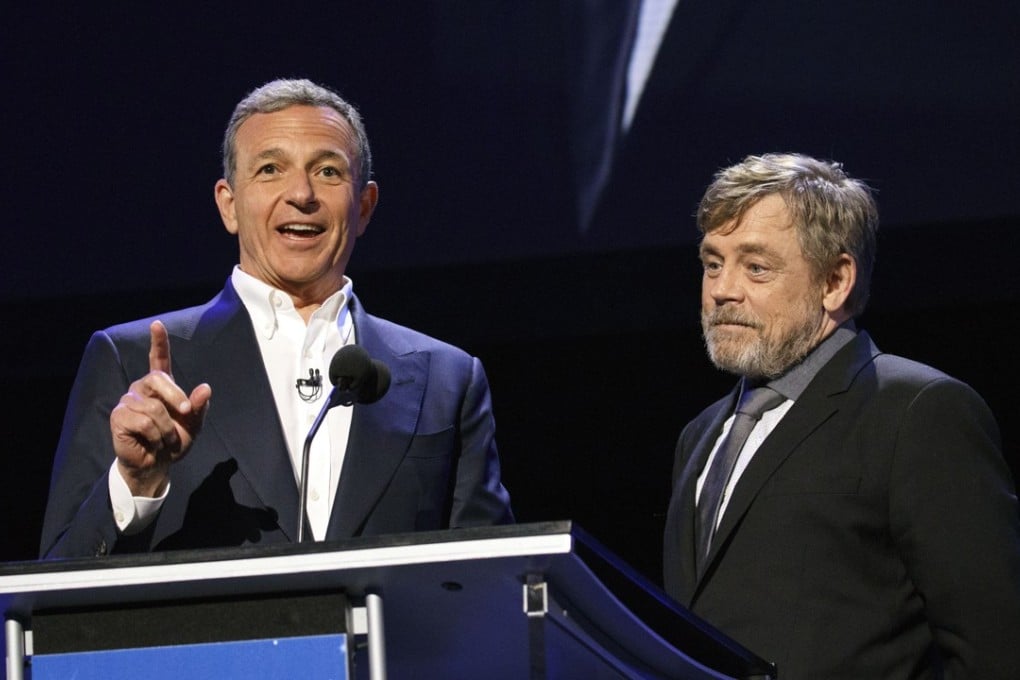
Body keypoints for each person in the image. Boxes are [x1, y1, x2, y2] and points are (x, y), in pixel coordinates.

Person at [40, 78, 513, 559]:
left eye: (328, 171)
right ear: (229, 205)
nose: (302, 193)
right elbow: (55, 584)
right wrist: (134, 484)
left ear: (364, 206)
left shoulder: (448, 379)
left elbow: (493, 584)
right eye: (270, 169)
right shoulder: (132, 361)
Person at [663, 153, 1020, 678]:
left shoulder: (919, 411)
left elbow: (996, 645)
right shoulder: (699, 436)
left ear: (835, 281)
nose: (721, 290)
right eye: (713, 263)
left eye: (755, 267)